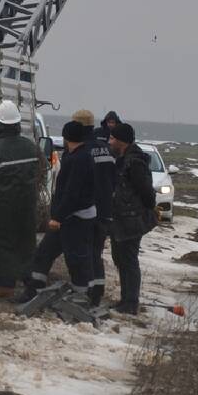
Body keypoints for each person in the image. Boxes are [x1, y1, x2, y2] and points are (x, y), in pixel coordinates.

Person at [18, 120, 97, 302]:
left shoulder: (78, 159)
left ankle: (81, 298)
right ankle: (33, 291)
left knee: (76, 259)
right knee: (44, 253)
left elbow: (72, 193)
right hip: (69, 217)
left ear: (66, 136)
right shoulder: (77, 155)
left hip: (74, 219)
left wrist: (58, 217)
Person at [0, 100, 42, 298]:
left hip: (1, 207)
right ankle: (31, 282)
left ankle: (6, 285)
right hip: (27, 205)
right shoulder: (31, 147)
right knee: (26, 243)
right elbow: (39, 172)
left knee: (2, 244)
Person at [107, 123, 156, 314]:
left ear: (121, 141)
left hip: (132, 220)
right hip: (122, 219)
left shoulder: (135, 162)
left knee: (129, 260)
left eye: (112, 138)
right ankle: (125, 299)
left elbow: (147, 193)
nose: (109, 142)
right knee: (120, 259)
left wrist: (139, 210)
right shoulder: (123, 158)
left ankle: (131, 302)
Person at [72, 108, 116, 306]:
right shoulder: (105, 149)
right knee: (96, 253)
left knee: (84, 252)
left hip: (87, 210)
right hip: (105, 210)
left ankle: (86, 294)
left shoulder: (82, 151)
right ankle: (97, 292)